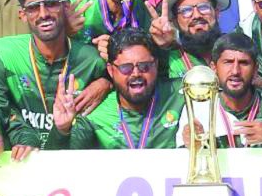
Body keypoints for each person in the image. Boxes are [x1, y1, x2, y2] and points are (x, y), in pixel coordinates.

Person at [0, 0, 110, 160]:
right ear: (22, 15)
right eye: (33, 8)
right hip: (20, 162)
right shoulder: (2, 53)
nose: (43, 14)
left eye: (51, 4)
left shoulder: (91, 59)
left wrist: (107, 81)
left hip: (72, 161)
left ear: (65, 6)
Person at [51, 29, 185, 150]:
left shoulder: (182, 93)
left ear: (155, 64)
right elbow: (63, 164)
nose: (136, 73)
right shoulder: (94, 114)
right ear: (110, 70)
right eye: (126, 68)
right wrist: (62, 131)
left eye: (144, 66)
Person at [192, 32, 262, 148]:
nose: (235, 71)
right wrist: (190, 144)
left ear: (255, 69)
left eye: (244, 63)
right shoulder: (198, 108)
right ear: (214, 67)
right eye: (228, 62)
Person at [151, 0, 234, 79]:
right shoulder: (167, 59)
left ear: (217, 13)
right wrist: (162, 48)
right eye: (186, 10)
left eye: (204, 7)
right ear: (175, 20)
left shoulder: (234, 50)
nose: (196, 15)